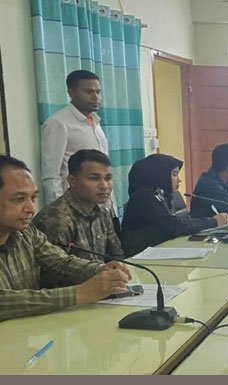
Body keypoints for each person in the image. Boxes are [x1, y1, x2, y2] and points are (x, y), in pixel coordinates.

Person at [0, 155, 132, 321]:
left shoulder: (27, 233)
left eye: (33, 198)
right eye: (19, 199)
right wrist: (80, 293)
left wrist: (101, 270)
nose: (31, 208)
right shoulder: (56, 218)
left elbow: (61, 262)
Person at [120, 154, 228, 257]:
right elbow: (175, 226)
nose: (179, 180)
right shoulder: (145, 196)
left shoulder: (161, 194)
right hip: (138, 255)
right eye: (174, 174)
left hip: (155, 250)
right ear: (159, 174)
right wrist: (213, 221)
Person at [40, 70, 114, 214]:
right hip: (75, 208)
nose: (96, 97)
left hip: (101, 208)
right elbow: (51, 175)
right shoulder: (58, 123)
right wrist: (60, 211)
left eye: (98, 92)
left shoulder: (95, 122)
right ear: (71, 93)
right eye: (89, 92)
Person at [33, 150, 123, 263]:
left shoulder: (102, 213)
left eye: (108, 178)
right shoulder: (56, 220)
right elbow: (54, 269)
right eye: (94, 178)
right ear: (72, 181)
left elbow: (116, 256)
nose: (104, 185)